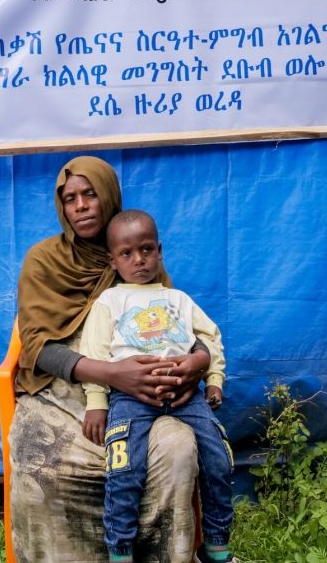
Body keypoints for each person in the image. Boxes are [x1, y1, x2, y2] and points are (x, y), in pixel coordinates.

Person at [12, 156, 215, 563]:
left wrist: (198, 360)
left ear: (109, 197)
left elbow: (175, 323)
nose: (81, 205)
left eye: (90, 194)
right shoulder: (43, 261)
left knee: (175, 449)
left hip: (141, 395)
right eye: (70, 199)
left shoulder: (132, 254)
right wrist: (108, 374)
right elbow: (35, 345)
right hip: (60, 391)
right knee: (41, 468)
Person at [79, 209, 235, 563]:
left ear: (160, 251)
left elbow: (210, 339)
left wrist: (214, 381)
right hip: (131, 398)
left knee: (219, 459)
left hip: (186, 396)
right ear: (113, 260)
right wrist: (96, 401)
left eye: (147, 249)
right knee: (123, 468)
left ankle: (216, 545)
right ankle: (120, 550)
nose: (139, 260)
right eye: (127, 253)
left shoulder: (177, 299)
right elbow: (94, 352)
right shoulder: (110, 302)